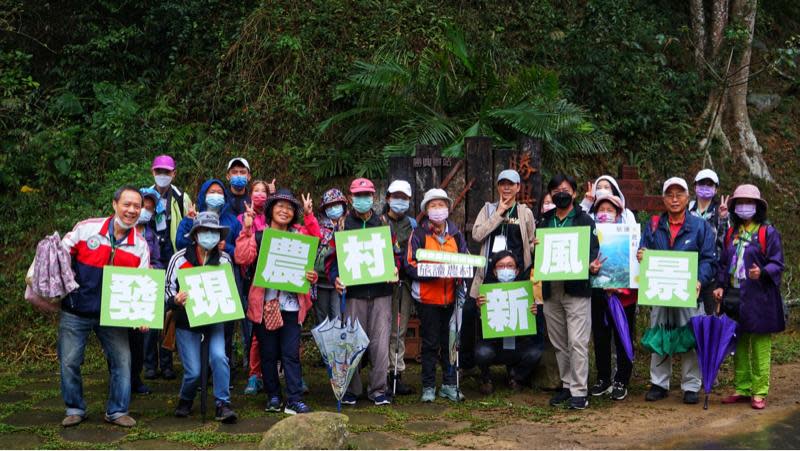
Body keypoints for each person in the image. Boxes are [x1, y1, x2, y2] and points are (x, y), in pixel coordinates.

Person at [59, 185, 151, 428]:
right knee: (69, 361)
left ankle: (117, 410)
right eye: (127, 204)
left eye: (137, 206)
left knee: (123, 361)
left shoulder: (140, 245)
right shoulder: (86, 228)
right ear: (114, 205)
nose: (131, 210)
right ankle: (75, 407)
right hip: (76, 309)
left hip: (114, 315)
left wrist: (142, 316)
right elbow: (60, 256)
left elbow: (142, 285)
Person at [236, 188, 320, 415]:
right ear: (271, 210)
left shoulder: (299, 235)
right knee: (268, 353)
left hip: (291, 306)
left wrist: (312, 275)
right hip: (265, 305)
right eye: (280, 206)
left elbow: (314, 248)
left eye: (290, 207)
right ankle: (273, 396)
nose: (285, 211)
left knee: (291, 353)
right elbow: (242, 257)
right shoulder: (260, 236)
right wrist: (246, 228)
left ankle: (294, 398)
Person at [638, 177, 716, 405]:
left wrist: (700, 279)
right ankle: (659, 383)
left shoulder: (700, 226)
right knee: (660, 332)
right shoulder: (653, 225)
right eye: (669, 194)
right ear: (663, 198)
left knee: (691, 335)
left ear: (687, 197)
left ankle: (691, 385)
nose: (674, 199)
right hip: (660, 291)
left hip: (689, 292)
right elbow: (644, 251)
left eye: (679, 194)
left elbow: (709, 259)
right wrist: (641, 255)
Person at [326, 177, 398, 406]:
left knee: (380, 342)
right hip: (353, 294)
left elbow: (395, 255)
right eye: (358, 195)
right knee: (352, 343)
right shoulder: (343, 225)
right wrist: (335, 278)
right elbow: (331, 260)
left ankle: (378, 389)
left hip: (381, 293)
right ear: (351, 198)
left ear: (373, 197)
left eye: (367, 195)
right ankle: (350, 389)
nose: (363, 199)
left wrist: (395, 268)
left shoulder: (384, 223)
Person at [714, 184, 785, 410]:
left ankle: (760, 391)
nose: (744, 207)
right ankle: (743, 388)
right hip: (736, 296)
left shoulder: (767, 233)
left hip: (760, 297)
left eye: (749, 202)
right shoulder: (731, 233)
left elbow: (777, 262)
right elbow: (724, 263)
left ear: (757, 207)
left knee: (760, 345)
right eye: (740, 203)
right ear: (735, 207)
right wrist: (719, 286)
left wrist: (762, 272)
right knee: (739, 344)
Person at [165, 211, 238, 423]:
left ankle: (222, 403)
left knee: (219, 357)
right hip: (186, 323)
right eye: (204, 231)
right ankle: (185, 398)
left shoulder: (224, 260)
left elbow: (229, 290)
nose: (209, 236)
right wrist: (175, 300)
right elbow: (167, 289)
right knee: (194, 371)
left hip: (214, 320)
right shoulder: (179, 258)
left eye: (213, 232)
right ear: (195, 234)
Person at [538, 174, 601, 410]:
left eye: (564, 190)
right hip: (551, 288)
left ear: (574, 193)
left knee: (577, 340)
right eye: (555, 191)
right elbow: (539, 255)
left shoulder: (585, 220)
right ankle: (566, 385)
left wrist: (591, 265)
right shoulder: (544, 221)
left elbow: (593, 251)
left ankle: (579, 391)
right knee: (559, 340)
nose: (560, 194)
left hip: (575, 288)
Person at [466, 170, 536, 375]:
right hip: (489, 276)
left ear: (518, 187)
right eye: (502, 184)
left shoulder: (525, 212)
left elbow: (531, 243)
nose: (506, 188)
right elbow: (477, 235)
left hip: (518, 276)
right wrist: (499, 213)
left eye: (511, 184)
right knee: (473, 312)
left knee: (518, 317)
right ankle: (473, 366)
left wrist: (539, 246)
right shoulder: (488, 209)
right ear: (497, 187)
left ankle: (514, 368)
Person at [405, 189, 469, 402]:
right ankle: (429, 386)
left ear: (448, 208)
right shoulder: (419, 234)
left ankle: (449, 384)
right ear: (426, 209)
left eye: (441, 205)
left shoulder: (456, 234)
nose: (437, 209)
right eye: (433, 205)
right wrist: (432, 274)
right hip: (427, 299)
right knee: (430, 343)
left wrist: (459, 275)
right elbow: (410, 264)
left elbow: (466, 261)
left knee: (450, 342)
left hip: (450, 298)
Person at [145, 155, 192, 381]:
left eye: (167, 171)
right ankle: (150, 364)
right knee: (149, 313)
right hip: (149, 259)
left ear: (174, 173)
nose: (162, 175)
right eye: (158, 171)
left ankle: (167, 363)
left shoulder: (181, 197)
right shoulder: (144, 195)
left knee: (169, 312)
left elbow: (189, 225)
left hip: (172, 259)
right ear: (152, 172)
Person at [588, 194, 637, 401]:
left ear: (618, 214)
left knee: (623, 336)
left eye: (610, 210)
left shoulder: (630, 235)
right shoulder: (590, 235)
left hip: (623, 297)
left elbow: (634, 267)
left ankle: (622, 379)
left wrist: (620, 286)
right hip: (598, 295)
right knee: (600, 337)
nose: (604, 213)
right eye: (601, 210)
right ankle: (603, 378)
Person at [474, 251, 543, 394]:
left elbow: (535, 327)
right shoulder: (486, 293)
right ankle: (486, 378)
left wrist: (535, 312)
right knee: (482, 352)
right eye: (501, 266)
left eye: (510, 266)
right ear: (494, 271)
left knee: (535, 352)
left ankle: (516, 376)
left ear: (517, 270)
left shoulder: (526, 292)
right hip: (494, 347)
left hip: (518, 344)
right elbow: (478, 329)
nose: (506, 270)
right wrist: (480, 310)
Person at [234, 180, 270, 396]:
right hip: (253, 281)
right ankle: (254, 375)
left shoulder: (275, 220)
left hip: (278, 283)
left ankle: (278, 373)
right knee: (255, 332)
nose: (259, 194)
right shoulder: (243, 219)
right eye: (255, 190)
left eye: (263, 191)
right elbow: (242, 254)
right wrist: (248, 225)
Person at [382, 180, 417, 396]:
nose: (399, 201)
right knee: (382, 329)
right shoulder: (379, 221)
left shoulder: (413, 225)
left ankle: (396, 373)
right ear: (387, 198)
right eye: (396, 197)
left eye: (404, 198)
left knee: (399, 329)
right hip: (382, 284)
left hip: (404, 283)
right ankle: (381, 374)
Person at [128, 188, 164, 397]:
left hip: (144, 289)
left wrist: (154, 269)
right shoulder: (119, 233)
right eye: (143, 205)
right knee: (119, 337)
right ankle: (121, 379)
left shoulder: (152, 234)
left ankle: (136, 377)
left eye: (149, 207)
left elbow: (159, 261)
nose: (145, 210)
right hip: (124, 289)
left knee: (140, 337)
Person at [689, 169, 730, 315]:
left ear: (716, 189)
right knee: (689, 315)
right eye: (702, 183)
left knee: (710, 316)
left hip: (712, 271)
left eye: (710, 184)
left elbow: (724, 242)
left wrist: (723, 218)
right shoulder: (687, 210)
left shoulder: (720, 212)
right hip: (689, 270)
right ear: (695, 186)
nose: (705, 187)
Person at [314, 188, 348, 324]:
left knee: (338, 315)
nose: (334, 208)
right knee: (322, 317)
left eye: (337, 204)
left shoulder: (348, 225)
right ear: (324, 208)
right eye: (330, 206)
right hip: (320, 280)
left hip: (340, 280)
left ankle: (339, 344)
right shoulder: (317, 226)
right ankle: (323, 344)